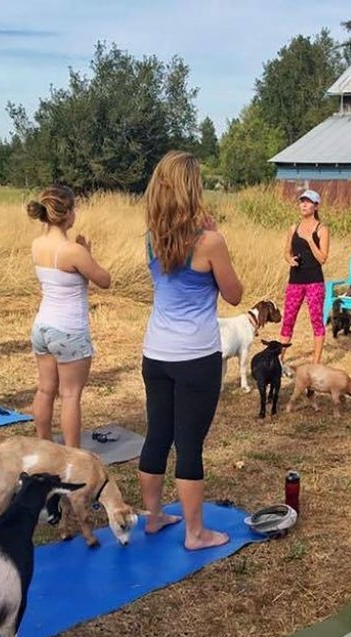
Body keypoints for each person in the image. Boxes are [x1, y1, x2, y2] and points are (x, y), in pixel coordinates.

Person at [138, 150, 244, 550]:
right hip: (196, 356)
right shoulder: (209, 241)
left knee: (157, 436)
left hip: (156, 353)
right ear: (192, 190)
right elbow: (234, 295)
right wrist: (216, 237)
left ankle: (153, 518)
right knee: (189, 445)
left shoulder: (151, 237)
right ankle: (195, 533)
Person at [27, 184, 110, 446]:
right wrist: (88, 254)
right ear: (68, 214)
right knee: (71, 395)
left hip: (42, 326)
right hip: (69, 330)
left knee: (45, 389)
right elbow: (104, 280)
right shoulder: (73, 251)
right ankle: (72, 455)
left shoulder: (37, 245)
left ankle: (44, 446)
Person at [280, 189, 330, 365]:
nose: (303, 205)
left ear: (316, 206)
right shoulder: (293, 228)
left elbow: (323, 258)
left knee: (316, 321)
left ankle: (315, 364)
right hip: (295, 281)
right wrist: (290, 260)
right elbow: (286, 252)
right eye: (302, 201)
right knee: (288, 320)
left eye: (308, 202)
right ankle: (279, 359)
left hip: (314, 281)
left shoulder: (322, 229)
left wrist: (310, 240)